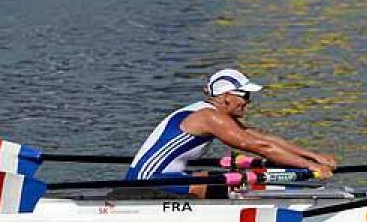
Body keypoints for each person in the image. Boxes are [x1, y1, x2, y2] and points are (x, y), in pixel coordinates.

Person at [126, 68, 337, 198]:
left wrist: (313, 156)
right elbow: (260, 148)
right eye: (244, 95)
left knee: (223, 180)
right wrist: (311, 167)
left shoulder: (212, 114)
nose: (248, 101)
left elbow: (262, 138)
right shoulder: (209, 117)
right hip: (147, 182)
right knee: (222, 181)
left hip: (167, 178)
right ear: (227, 96)